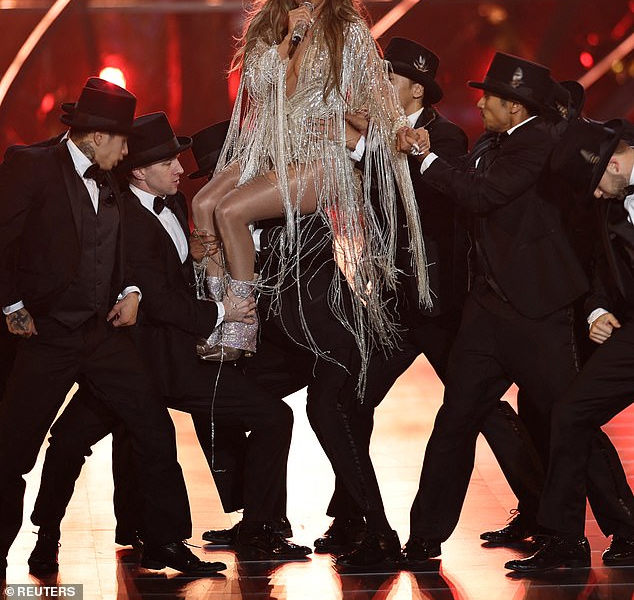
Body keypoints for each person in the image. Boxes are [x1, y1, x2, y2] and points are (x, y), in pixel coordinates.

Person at [25, 111, 311, 574]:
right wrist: (224, 312)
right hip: (147, 361)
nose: (181, 169)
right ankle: (49, 534)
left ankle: (253, 529)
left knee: (269, 417)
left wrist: (197, 260)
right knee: (70, 440)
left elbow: (170, 278)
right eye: (169, 162)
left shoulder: (173, 204)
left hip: (170, 357)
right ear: (139, 170)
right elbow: (159, 299)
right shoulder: (124, 216)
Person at [394, 52, 634, 569]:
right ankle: (424, 538)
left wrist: (427, 161)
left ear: (515, 105)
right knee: (455, 419)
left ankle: (623, 526)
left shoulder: (540, 144)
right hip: (488, 312)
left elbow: (483, 195)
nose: (479, 102)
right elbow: (472, 176)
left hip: (538, 310)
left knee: (569, 418)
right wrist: (429, 152)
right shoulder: (496, 142)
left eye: (490, 97)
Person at [314, 38, 546, 554]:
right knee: (350, 401)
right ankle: (355, 517)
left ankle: (539, 509)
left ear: (416, 88)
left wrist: (371, 147)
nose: (377, 88)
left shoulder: (447, 139)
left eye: (387, 80)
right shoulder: (378, 136)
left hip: (442, 306)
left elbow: (434, 199)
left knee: (481, 411)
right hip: (395, 305)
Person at [0, 78, 225, 578]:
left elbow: (120, 249)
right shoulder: (31, 165)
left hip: (101, 335)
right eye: (122, 140)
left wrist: (131, 291)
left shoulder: (110, 179)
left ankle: (165, 542)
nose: (127, 151)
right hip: (46, 334)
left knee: (152, 427)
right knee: (13, 452)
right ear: (97, 137)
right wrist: (11, 303)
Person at [191, 0, 429, 378]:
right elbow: (259, 88)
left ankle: (241, 326)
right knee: (202, 204)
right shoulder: (270, 26)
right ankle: (221, 313)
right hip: (272, 144)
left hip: (321, 158)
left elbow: (379, 95)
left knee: (230, 212)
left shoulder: (350, 30)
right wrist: (287, 40)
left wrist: (401, 130)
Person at [190, 122, 404, 571]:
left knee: (328, 413)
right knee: (224, 396)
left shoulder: (299, 191)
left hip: (330, 333)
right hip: (285, 338)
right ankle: (261, 522)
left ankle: (380, 534)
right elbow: (213, 227)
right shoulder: (226, 218)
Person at [506, 117, 634, 573]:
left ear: (615, 163)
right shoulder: (611, 200)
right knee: (571, 412)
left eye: (597, 185)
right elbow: (602, 264)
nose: (596, 196)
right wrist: (597, 310)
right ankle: (564, 540)